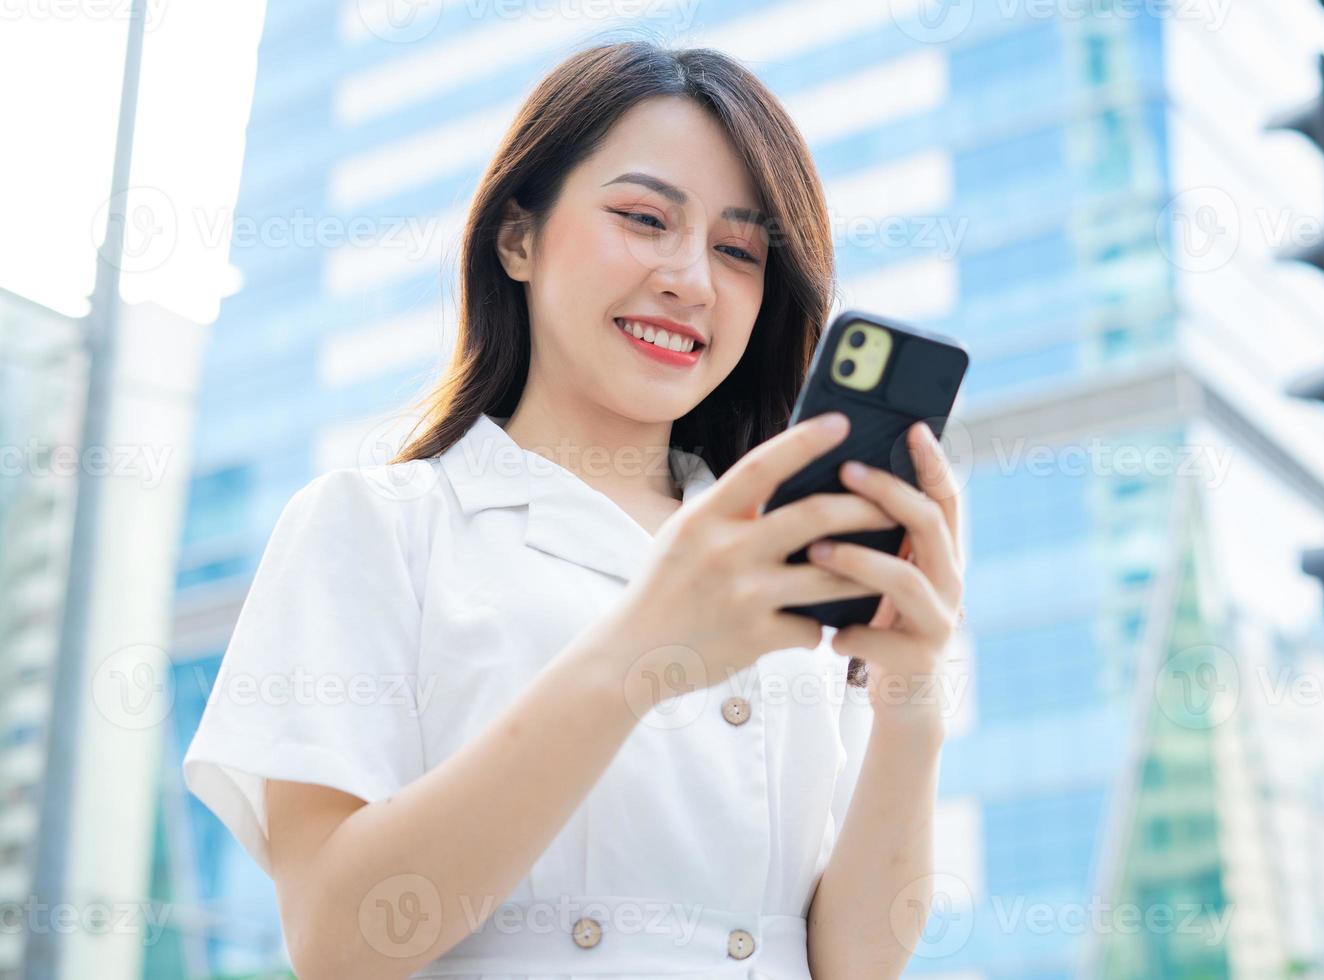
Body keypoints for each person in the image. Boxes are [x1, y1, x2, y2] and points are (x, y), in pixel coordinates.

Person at [183, 39, 965, 980]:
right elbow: (340, 939)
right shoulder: (377, 525)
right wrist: (639, 652)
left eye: (737, 249)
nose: (693, 280)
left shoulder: (780, 558)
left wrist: (911, 700)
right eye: (644, 218)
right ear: (518, 237)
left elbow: (850, 962)